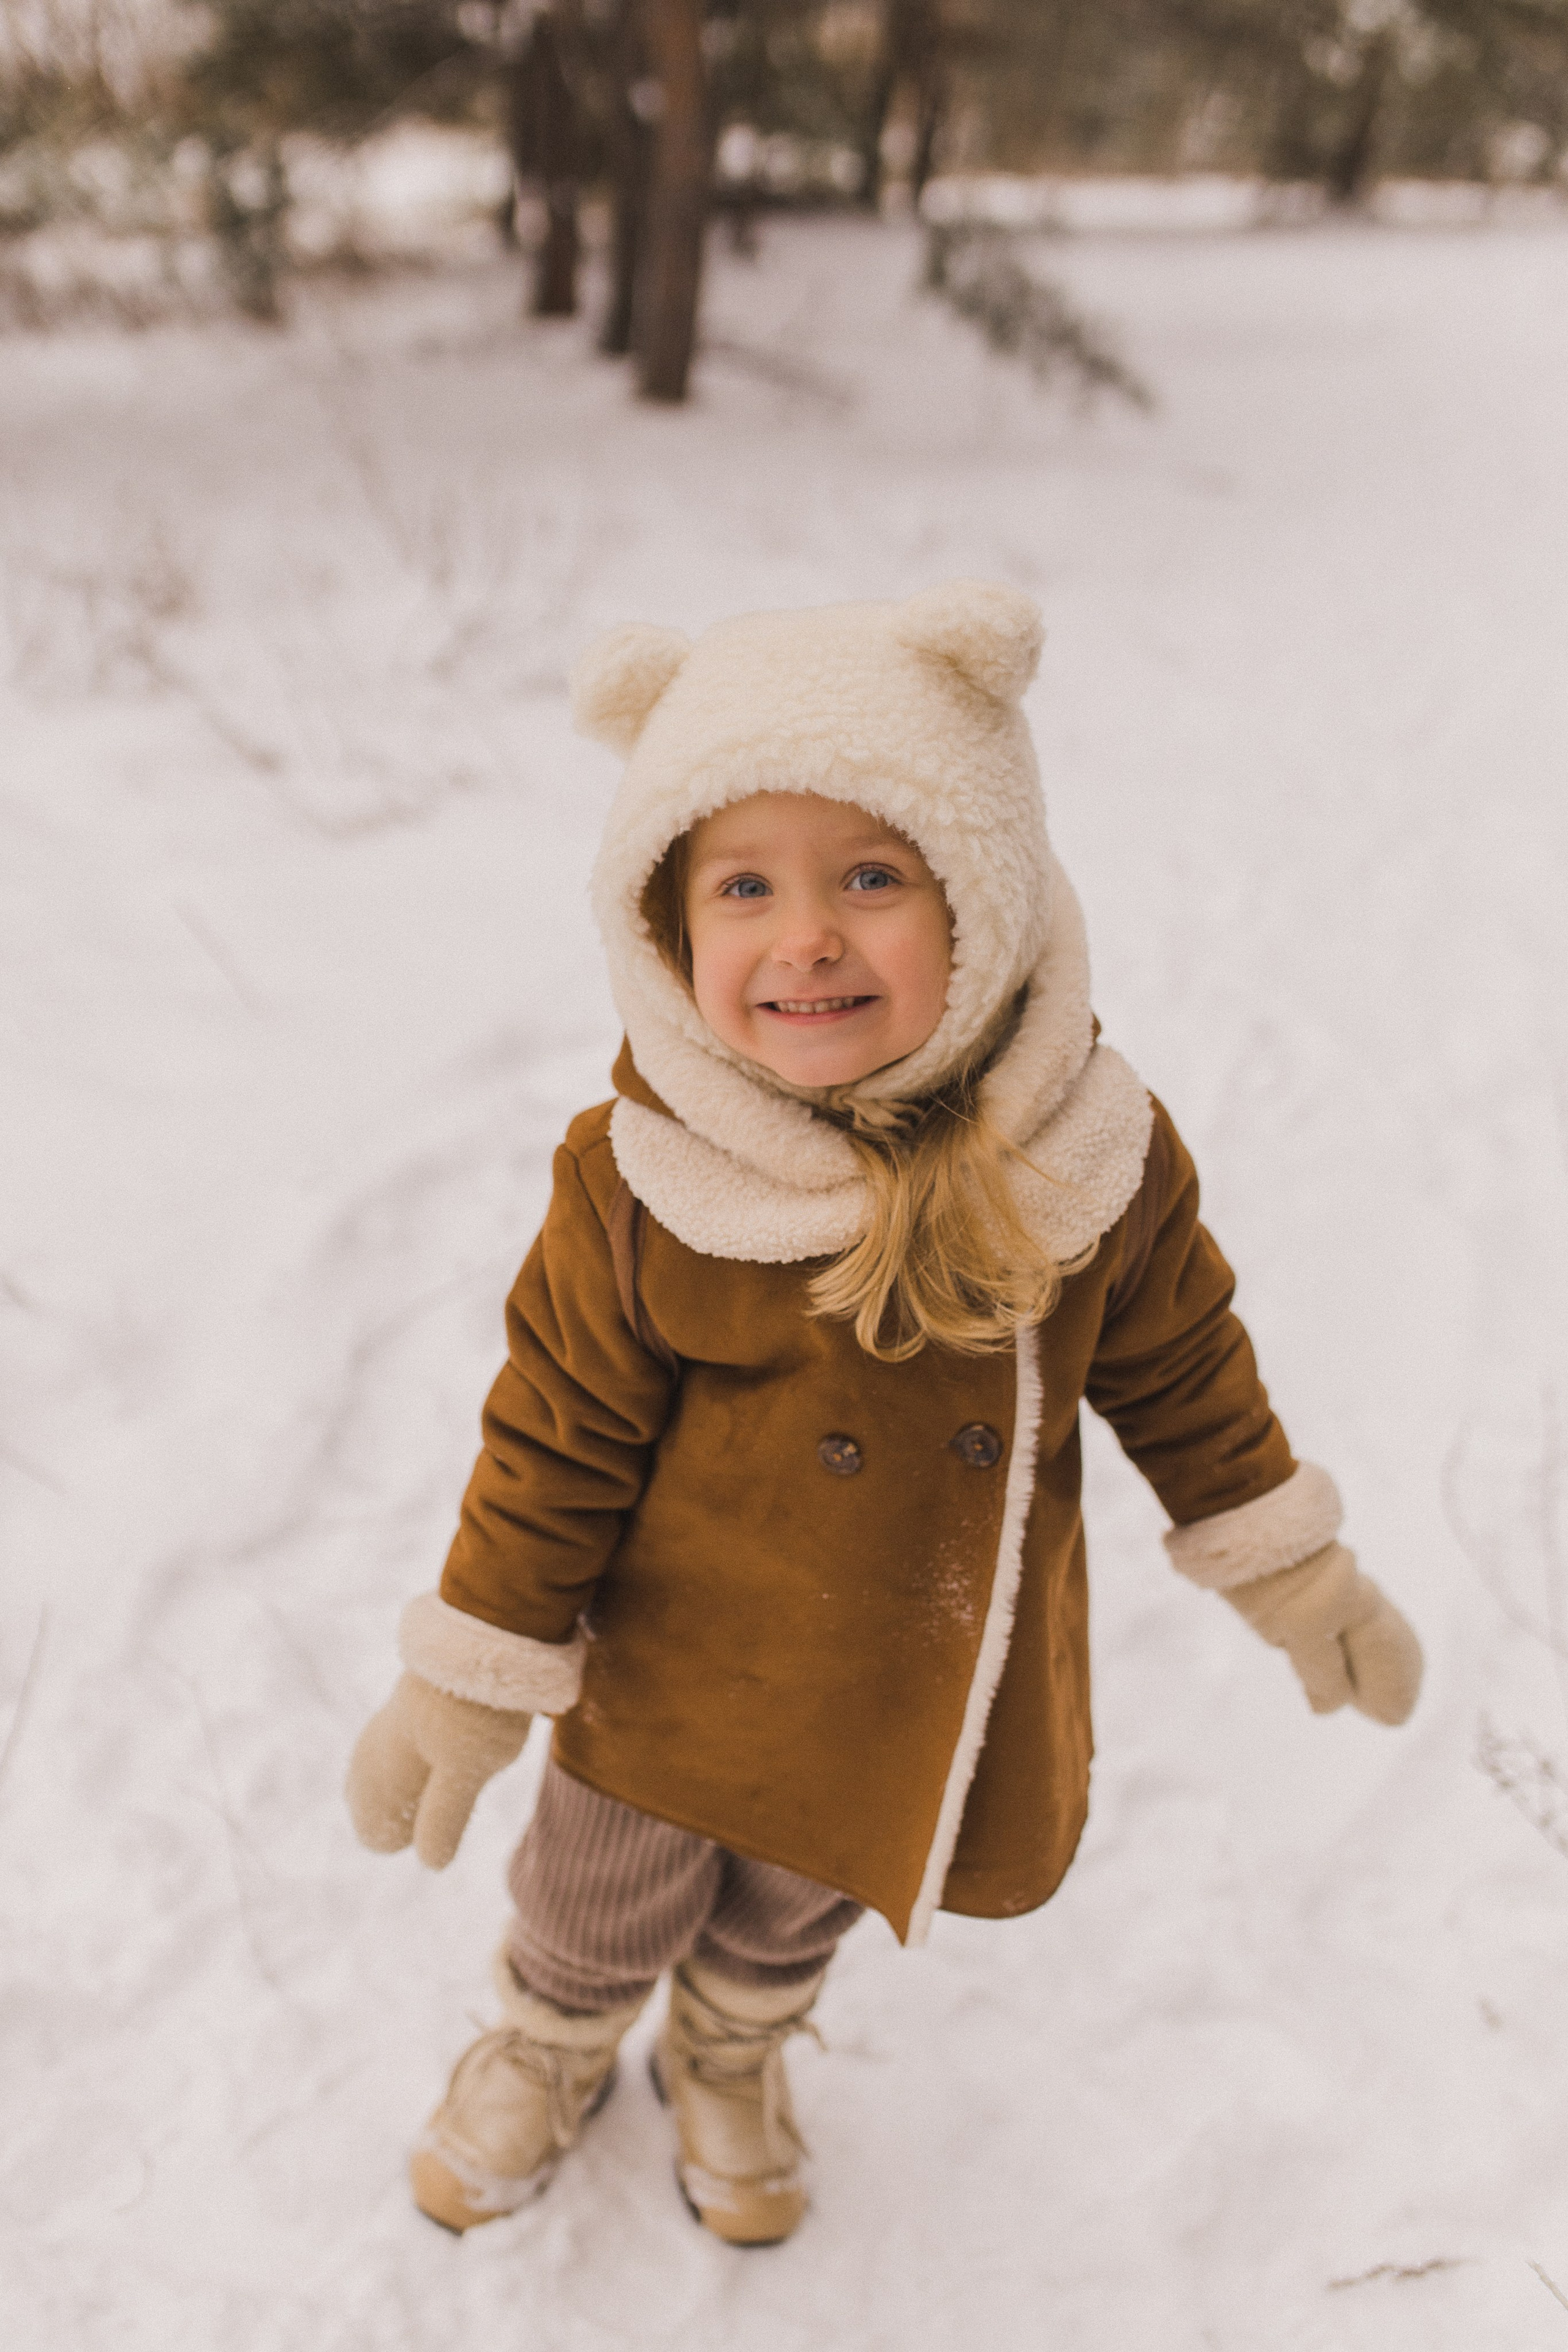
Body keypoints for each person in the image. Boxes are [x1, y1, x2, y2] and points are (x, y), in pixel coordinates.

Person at [346, 579, 1423, 2245]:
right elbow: (551, 1436)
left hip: (905, 1669)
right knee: (596, 1896)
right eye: (746, 887)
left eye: (872, 876)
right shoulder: (647, 1182)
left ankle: (731, 2051)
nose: (809, 937)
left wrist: (1294, 1570)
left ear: (979, 891)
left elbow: (1185, 1370)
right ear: (666, 926)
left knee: (798, 1900)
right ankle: (552, 2043)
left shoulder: (1087, 1157)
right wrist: (471, 1675)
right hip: (676, 1675)